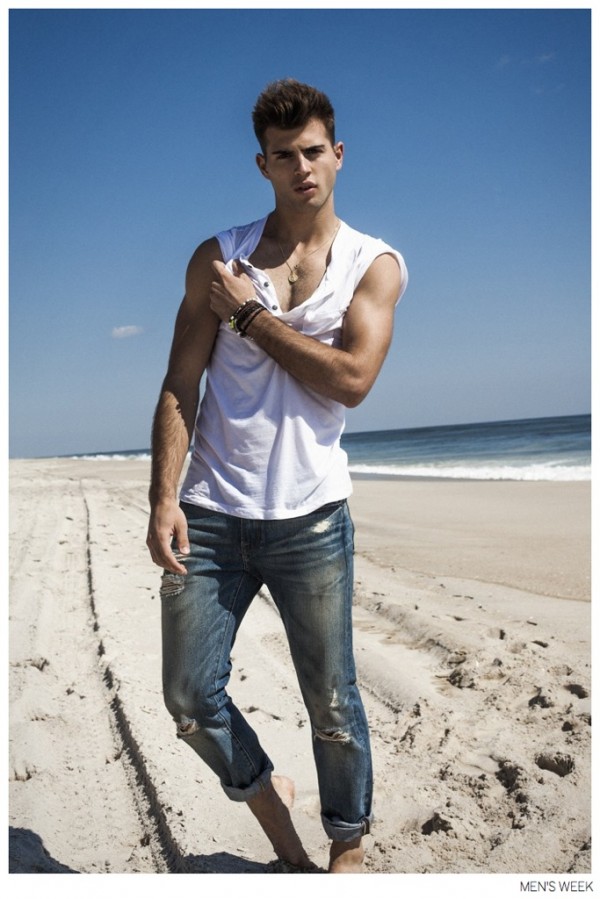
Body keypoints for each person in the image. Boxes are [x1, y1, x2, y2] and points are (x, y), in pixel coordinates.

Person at [146, 78, 408, 874]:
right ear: (262, 164)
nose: (303, 168)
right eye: (285, 156)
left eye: (314, 152)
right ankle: (273, 807)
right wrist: (163, 496)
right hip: (212, 510)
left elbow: (352, 381)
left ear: (339, 154)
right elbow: (179, 382)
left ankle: (347, 844)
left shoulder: (373, 264)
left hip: (312, 515)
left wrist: (250, 316)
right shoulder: (217, 258)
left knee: (332, 697)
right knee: (189, 696)